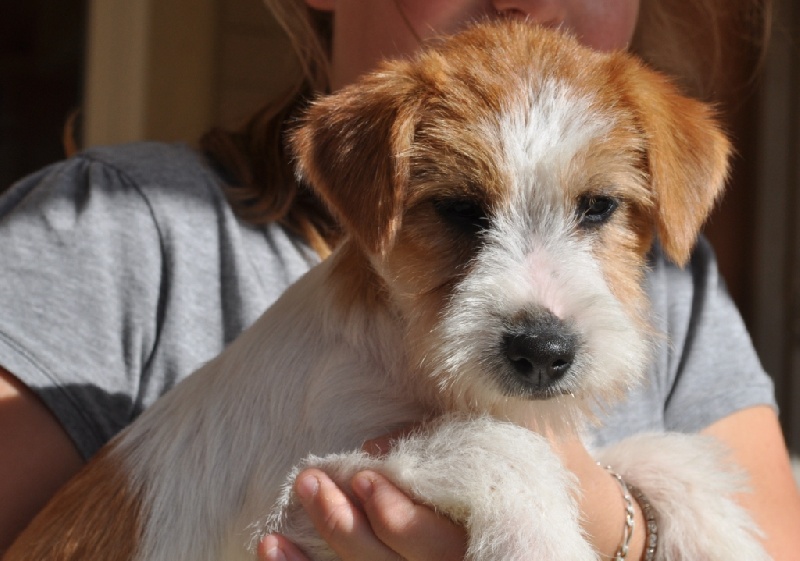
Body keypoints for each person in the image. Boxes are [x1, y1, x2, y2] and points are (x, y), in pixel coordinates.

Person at [0, 1, 798, 559]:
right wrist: (521, 499)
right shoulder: (109, 230)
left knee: (678, 474)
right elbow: (332, 491)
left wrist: (640, 528)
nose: (541, 302)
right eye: (459, 212)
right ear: (366, 200)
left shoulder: (688, 303)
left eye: (595, 210)